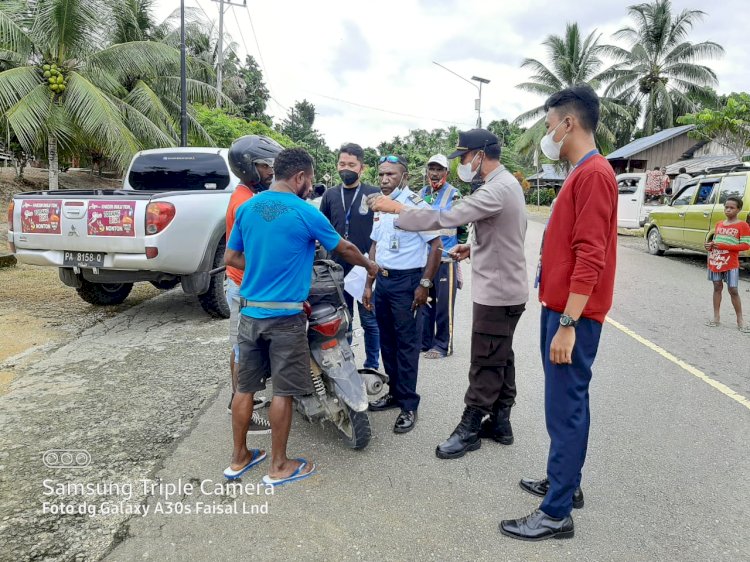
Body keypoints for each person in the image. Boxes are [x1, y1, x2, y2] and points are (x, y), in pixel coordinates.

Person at [499, 84, 618, 541]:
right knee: (565, 404)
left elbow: (592, 254)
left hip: (574, 316)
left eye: (549, 124)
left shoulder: (593, 174)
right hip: (563, 309)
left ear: (568, 122)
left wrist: (567, 323)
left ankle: (556, 513)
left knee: (565, 408)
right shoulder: (582, 171)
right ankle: (567, 484)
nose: (547, 133)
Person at [223, 147, 379, 485]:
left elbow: (232, 256)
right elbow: (345, 248)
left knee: (245, 389)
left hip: (250, 312)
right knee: (282, 391)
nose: (310, 186)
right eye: (309, 179)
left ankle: (239, 459)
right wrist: (369, 265)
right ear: (300, 177)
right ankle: (279, 465)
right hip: (286, 318)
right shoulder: (304, 212)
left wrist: (263, 271)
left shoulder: (248, 208)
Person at [369, 131, 528, 459]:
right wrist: (473, 246)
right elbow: (504, 232)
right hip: (504, 285)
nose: (464, 165)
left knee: (485, 358)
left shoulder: (497, 187)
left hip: (497, 291)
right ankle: (501, 422)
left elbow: (448, 217)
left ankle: (470, 427)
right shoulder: (506, 185)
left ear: (481, 155)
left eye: (465, 158)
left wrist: (399, 208)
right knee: (501, 355)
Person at [363, 155, 442, 434]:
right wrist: (368, 284)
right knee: (388, 342)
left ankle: (409, 404)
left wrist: (424, 284)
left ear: (404, 177)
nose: (384, 179)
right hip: (383, 280)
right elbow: (375, 244)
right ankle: (395, 393)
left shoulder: (415, 207)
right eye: (382, 174)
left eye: (391, 175)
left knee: (407, 346)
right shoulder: (380, 206)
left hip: (408, 282)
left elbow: (436, 246)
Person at [225, 135, 282, 433]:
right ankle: (241, 411)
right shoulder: (246, 202)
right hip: (242, 285)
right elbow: (237, 256)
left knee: (241, 348)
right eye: (265, 166)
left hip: (243, 284)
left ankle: (239, 399)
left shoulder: (248, 194)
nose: (271, 172)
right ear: (249, 167)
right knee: (242, 351)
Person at [319, 143, 381, 370]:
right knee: (343, 321)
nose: (346, 168)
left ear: (362, 168)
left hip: (365, 269)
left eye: (351, 165)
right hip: (336, 269)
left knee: (370, 321)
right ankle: (347, 366)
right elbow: (321, 227)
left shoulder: (373, 195)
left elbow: (381, 230)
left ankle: (372, 364)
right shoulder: (330, 195)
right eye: (342, 163)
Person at [418, 154, 466, 359]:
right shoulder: (420, 194)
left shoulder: (454, 195)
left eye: (439, 169)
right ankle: (425, 341)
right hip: (425, 258)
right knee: (425, 301)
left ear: (446, 172)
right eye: (432, 169)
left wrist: (457, 248)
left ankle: (442, 345)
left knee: (444, 305)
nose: (435, 173)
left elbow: (463, 226)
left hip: (446, 257)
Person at [705, 196, 750, 332]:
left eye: (732, 208)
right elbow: (716, 243)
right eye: (726, 207)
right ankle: (716, 317)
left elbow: (745, 245)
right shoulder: (719, 224)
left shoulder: (743, 225)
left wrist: (725, 246)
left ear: (739, 209)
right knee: (717, 287)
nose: (728, 210)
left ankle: (740, 320)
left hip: (731, 262)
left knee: (733, 290)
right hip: (716, 261)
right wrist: (710, 246)